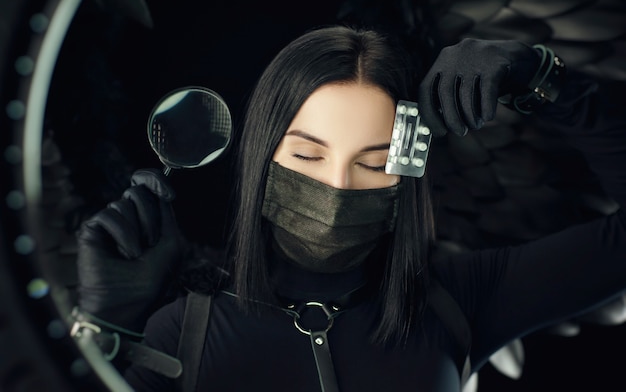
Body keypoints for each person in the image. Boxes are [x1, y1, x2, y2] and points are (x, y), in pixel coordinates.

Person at [74, 25, 626, 392]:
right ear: (262, 156)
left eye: (373, 161)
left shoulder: (461, 302)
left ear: (408, 170)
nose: (336, 185)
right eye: (309, 154)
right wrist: (103, 325)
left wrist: (542, 77)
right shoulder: (181, 333)